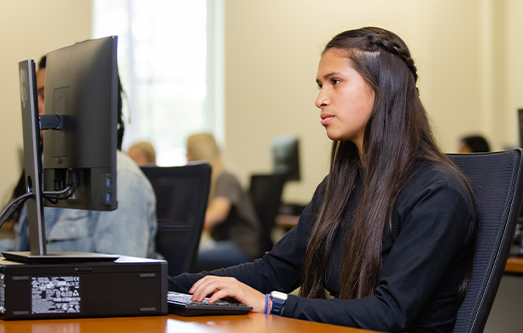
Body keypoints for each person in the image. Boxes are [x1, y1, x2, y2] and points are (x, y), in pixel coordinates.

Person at [169, 27, 477, 332]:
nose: (320, 99)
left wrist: (271, 304)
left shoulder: (438, 192)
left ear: (385, 89)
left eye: (335, 82)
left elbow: (389, 313)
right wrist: (156, 285)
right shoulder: (341, 186)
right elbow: (276, 269)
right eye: (320, 85)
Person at [0, 55, 160, 259]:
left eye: (45, 97)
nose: (35, 107)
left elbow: (121, 280)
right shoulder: (50, 173)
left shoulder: (121, 180)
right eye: (33, 97)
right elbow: (27, 252)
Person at [186, 133, 261, 272]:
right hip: (226, 243)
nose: (186, 156)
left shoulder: (225, 177)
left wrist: (187, 224)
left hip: (242, 247)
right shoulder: (215, 179)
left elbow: (218, 213)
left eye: (188, 151)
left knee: (186, 257)